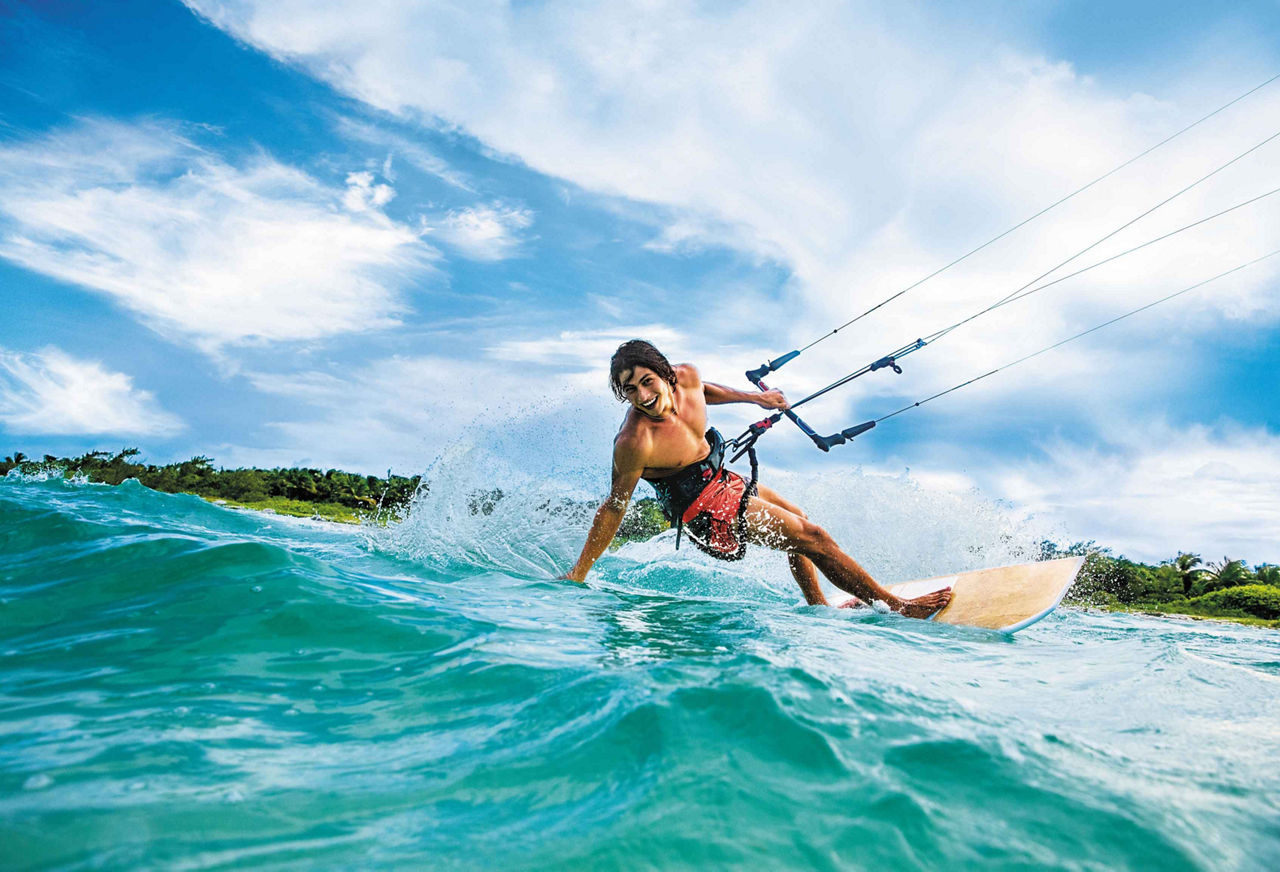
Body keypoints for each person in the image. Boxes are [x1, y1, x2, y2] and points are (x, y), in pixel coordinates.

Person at [562, 339, 952, 618]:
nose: (643, 396)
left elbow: (705, 391)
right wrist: (579, 573)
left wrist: (756, 399)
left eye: (647, 381)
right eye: (630, 390)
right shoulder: (634, 441)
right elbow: (614, 506)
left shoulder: (688, 377)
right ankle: (897, 607)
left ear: (666, 374)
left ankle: (818, 608)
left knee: (797, 519)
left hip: (721, 480)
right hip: (700, 507)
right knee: (812, 536)